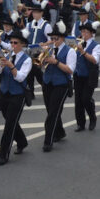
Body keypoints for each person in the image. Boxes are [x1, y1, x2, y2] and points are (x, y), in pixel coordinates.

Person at [0, 29, 31, 165]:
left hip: (17, 95)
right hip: (4, 93)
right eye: (11, 42)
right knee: (11, 121)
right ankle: (22, 141)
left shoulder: (27, 60)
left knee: (9, 125)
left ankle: (3, 155)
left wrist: (11, 66)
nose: (13, 45)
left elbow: (21, 77)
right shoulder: (7, 55)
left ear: (22, 44)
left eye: (16, 43)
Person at [40, 21, 76, 152]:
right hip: (47, 82)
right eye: (52, 38)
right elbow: (43, 66)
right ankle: (60, 132)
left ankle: (48, 141)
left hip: (61, 84)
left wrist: (56, 62)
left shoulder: (70, 51)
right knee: (51, 110)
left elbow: (70, 70)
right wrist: (43, 62)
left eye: (56, 38)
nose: (53, 41)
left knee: (53, 113)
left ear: (62, 38)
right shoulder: (49, 50)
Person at [73, 21, 100, 132]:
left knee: (85, 99)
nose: (83, 33)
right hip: (78, 75)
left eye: (85, 31)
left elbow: (95, 60)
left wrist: (83, 52)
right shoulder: (78, 43)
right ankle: (80, 124)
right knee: (78, 101)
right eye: (82, 31)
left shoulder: (96, 46)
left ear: (91, 33)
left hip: (90, 75)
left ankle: (92, 117)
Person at [25, 5, 52, 99]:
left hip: (39, 52)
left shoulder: (46, 25)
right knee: (29, 74)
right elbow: (25, 37)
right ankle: (31, 93)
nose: (34, 14)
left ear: (41, 13)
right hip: (29, 52)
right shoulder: (29, 24)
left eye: (37, 12)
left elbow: (51, 40)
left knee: (38, 73)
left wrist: (43, 44)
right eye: (33, 12)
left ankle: (46, 88)